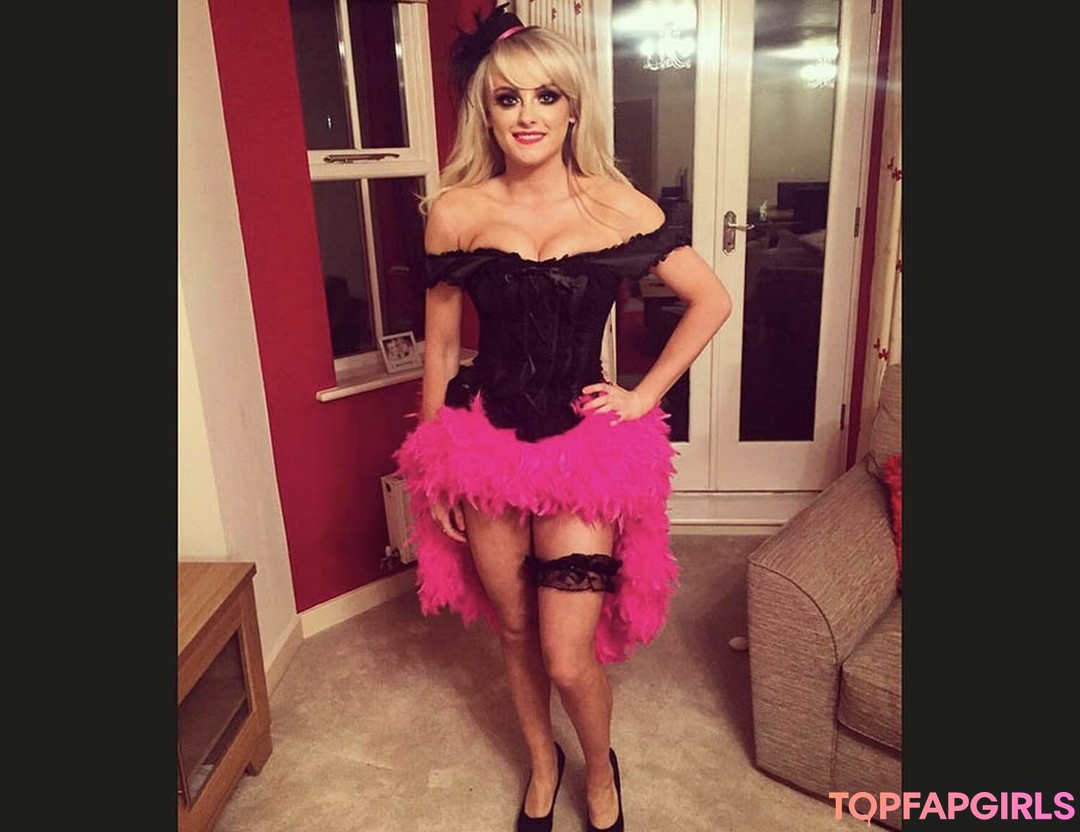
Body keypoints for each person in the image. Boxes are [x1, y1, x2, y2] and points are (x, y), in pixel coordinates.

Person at [393, 6, 732, 831]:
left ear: (573, 109)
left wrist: (644, 395)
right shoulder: (456, 211)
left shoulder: (617, 206)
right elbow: (443, 348)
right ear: (486, 113)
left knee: (567, 654)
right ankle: (543, 765)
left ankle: (600, 771)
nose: (528, 115)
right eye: (507, 99)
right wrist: (432, 469)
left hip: (583, 450)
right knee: (514, 632)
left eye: (546, 97)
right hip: (484, 444)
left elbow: (711, 299)